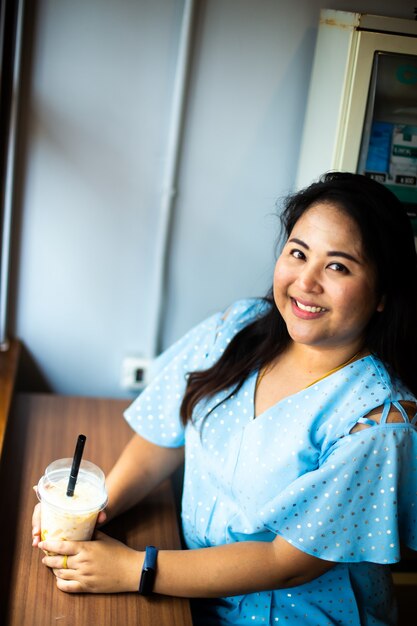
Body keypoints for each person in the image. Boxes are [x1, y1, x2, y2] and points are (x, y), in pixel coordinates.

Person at [32, 172, 417, 625]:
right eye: (298, 253)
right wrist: (96, 507)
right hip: (188, 589)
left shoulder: (378, 421)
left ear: (382, 295)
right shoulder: (240, 327)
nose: (306, 281)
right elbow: (167, 432)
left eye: (338, 266)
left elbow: (288, 562)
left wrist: (136, 569)